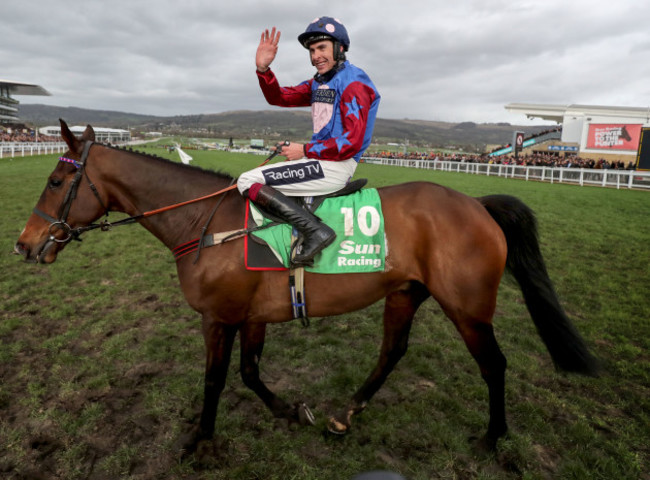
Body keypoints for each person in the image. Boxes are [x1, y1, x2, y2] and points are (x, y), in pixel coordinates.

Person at [237, 16, 381, 266]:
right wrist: (263, 70)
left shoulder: (354, 83)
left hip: (335, 166)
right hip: (320, 160)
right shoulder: (319, 82)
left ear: (340, 48)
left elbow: (352, 142)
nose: (316, 56)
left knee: (247, 180)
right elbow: (280, 97)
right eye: (312, 50)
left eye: (322, 48)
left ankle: (316, 231)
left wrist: (304, 149)